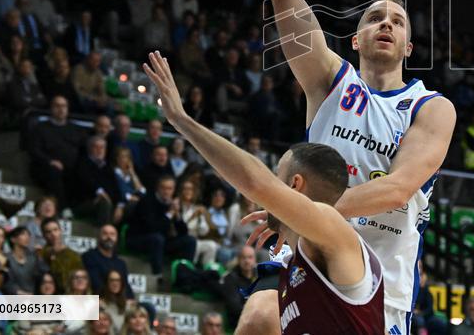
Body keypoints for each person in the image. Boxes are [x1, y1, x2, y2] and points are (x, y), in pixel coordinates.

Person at [239, 0, 457, 335]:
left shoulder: (431, 108)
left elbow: (399, 188)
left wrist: (295, 209)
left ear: (408, 48)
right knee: (256, 317)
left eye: (397, 22)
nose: (386, 23)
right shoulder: (328, 82)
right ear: (355, 40)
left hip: (380, 292)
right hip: (307, 263)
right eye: (374, 17)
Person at [142, 50, 386, 334]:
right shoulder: (296, 262)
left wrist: (182, 120)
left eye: (277, 177)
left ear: (294, 185)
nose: (272, 185)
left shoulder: (334, 228)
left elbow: (256, 183)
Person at [124, 174, 197, 278]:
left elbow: (183, 232)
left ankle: (185, 275)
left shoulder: (172, 204)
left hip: (161, 241)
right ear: (158, 188)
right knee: (157, 239)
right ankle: (157, 275)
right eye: (164, 188)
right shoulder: (147, 201)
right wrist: (169, 214)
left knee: (190, 241)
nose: (166, 191)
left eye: (170, 188)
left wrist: (177, 216)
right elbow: (152, 228)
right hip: (139, 238)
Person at [82, 224, 133, 297]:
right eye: (105, 234)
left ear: (117, 239)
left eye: (112, 234)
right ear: (99, 237)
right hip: (99, 299)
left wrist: (131, 300)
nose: (109, 237)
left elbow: (126, 285)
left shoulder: (121, 263)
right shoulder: (89, 257)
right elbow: (95, 283)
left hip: (119, 301)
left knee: (147, 306)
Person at [39, 218, 85, 290]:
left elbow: (81, 279)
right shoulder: (40, 254)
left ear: (60, 231)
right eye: (48, 232)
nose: (53, 234)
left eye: (55, 230)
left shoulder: (73, 255)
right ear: (44, 235)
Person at [221, 245, 258, 328]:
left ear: (255, 260)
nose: (247, 261)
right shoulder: (230, 278)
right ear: (238, 260)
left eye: (250, 257)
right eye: (243, 258)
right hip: (239, 322)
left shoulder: (259, 277)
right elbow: (235, 308)